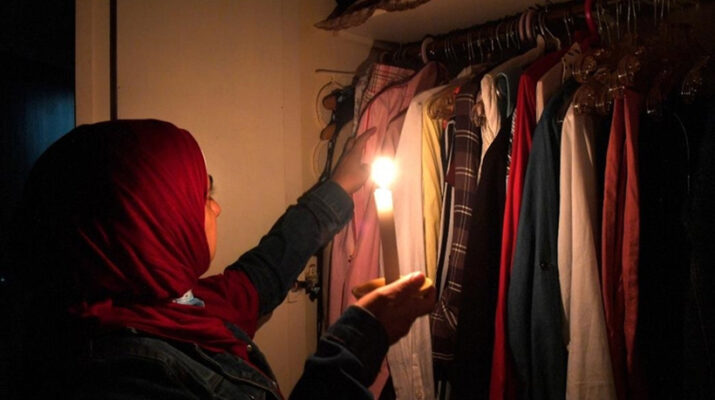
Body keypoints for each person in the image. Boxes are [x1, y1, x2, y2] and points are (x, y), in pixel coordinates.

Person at [2, 119, 435, 399]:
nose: (216, 207)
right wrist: (361, 335)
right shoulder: (122, 380)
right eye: (201, 195)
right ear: (146, 221)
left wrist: (338, 187)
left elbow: (264, 271)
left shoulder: (169, 306)